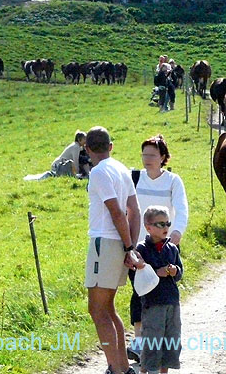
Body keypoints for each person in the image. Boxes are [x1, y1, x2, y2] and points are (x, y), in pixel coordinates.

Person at [84, 126, 143, 374]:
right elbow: (135, 211)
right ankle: (122, 367)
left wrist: (129, 247)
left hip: (104, 244)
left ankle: (118, 369)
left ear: (86, 149)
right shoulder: (121, 169)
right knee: (108, 308)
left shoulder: (98, 172)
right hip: (119, 244)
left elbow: (116, 211)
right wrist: (130, 246)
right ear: (111, 146)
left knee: (97, 310)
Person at [127, 135, 188, 362]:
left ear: (163, 157)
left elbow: (181, 209)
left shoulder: (173, 181)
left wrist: (176, 234)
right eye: (144, 154)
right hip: (139, 247)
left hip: (162, 246)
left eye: (152, 155)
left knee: (162, 293)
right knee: (138, 291)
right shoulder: (134, 179)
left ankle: (160, 342)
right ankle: (140, 341)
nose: (147, 159)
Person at [135, 206, 183, 374]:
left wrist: (175, 271)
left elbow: (180, 273)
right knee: (153, 340)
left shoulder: (173, 248)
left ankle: (164, 371)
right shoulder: (141, 249)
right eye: (160, 224)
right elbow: (136, 277)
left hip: (172, 302)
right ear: (148, 227)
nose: (165, 228)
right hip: (153, 302)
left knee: (171, 340)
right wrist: (156, 273)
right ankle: (146, 370)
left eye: (167, 223)